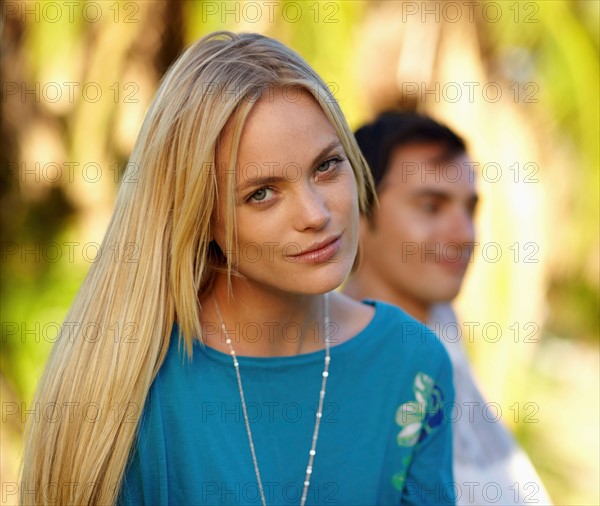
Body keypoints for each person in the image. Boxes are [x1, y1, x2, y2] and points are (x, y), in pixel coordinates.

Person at [21, 33, 457, 505]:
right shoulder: (134, 384)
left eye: (327, 166)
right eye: (262, 193)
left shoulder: (412, 364)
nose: (315, 213)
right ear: (201, 218)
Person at [344, 111, 552, 505]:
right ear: (357, 210)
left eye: (469, 209)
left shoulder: (439, 327)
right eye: (431, 206)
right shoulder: (349, 369)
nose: (465, 235)